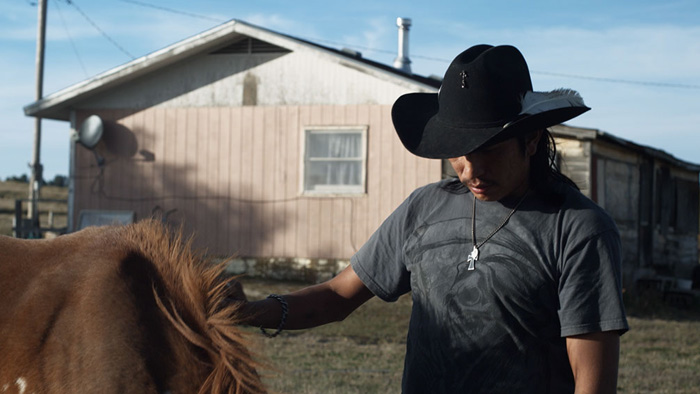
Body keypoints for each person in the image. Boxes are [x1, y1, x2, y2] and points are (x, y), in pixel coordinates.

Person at [239, 44, 629, 393]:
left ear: (530, 140)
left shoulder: (577, 229)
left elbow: (592, 380)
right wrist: (247, 310)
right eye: (457, 150)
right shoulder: (423, 209)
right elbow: (337, 297)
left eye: (487, 149)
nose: (469, 170)